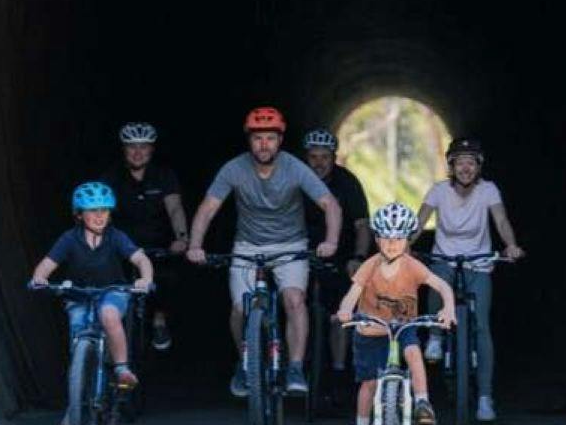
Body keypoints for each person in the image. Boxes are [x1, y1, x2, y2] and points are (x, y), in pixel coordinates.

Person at [186, 106, 342, 397]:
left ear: (280, 140)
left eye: (270, 138)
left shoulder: (294, 167)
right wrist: (195, 245)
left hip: (290, 245)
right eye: (258, 138)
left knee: (294, 300)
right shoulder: (234, 168)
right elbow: (208, 208)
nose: (264, 145)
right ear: (249, 140)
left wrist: (330, 241)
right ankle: (245, 363)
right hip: (247, 246)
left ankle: (295, 367)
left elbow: (330, 204)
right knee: (239, 308)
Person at [31, 181, 155, 425]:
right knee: (77, 341)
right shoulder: (69, 239)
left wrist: (145, 278)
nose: (99, 216)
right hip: (79, 295)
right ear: (79, 214)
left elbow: (141, 259)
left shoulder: (116, 237)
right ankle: (74, 407)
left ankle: (120, 368)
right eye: (92, 210)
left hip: (113, 292)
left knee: (108, 316)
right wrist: (39, 278)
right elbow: (46, 264)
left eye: (104, 210)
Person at [416, 137, 524, 423]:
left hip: (479, 261)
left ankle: (486, 398)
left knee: (481, 326)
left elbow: (500, 221)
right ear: (451, 166)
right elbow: (420, 221)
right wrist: (401, 245)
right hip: (446, 258)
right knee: (435, 279)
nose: (465, 168)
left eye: (471, 162)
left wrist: (510, 245)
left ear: (478, 167)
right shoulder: (439, 190)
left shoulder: (488, 190)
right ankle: (436, 336)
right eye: (460, 162)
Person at [334, 203, 456, 425]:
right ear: (377, 238)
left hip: (403, 327)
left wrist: (448, 309)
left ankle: (422, 401)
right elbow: (352, 293)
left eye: (399, 238)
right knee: (368, 383)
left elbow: (442, 285)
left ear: (407, 240)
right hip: (371, 329)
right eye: (386, 238)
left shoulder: (412, 266)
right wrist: (345, 310)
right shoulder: (370, 265)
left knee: (413, 352)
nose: (392, 244)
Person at [106, 121, 189, 351]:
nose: (138, 152)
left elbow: (174, 208)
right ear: (124, 149)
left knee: (168, 279)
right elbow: (102, 211)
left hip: (156, 243)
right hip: (122, 243)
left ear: (152, 149)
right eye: (132, 147)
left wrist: (181, 237)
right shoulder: (112, 176)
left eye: (143, 147)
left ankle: (160, 320)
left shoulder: (163, 175)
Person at [301, 127, 371, 394]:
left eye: (324, 157)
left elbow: (362, 225)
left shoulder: (347, 182)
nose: (319, 163)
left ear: (334, 157)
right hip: (300, 251)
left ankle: (340, 372)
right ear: (306, 157)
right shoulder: (296, 180)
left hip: (340, 253)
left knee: (342, 311)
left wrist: (358, 257)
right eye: (313, 157)